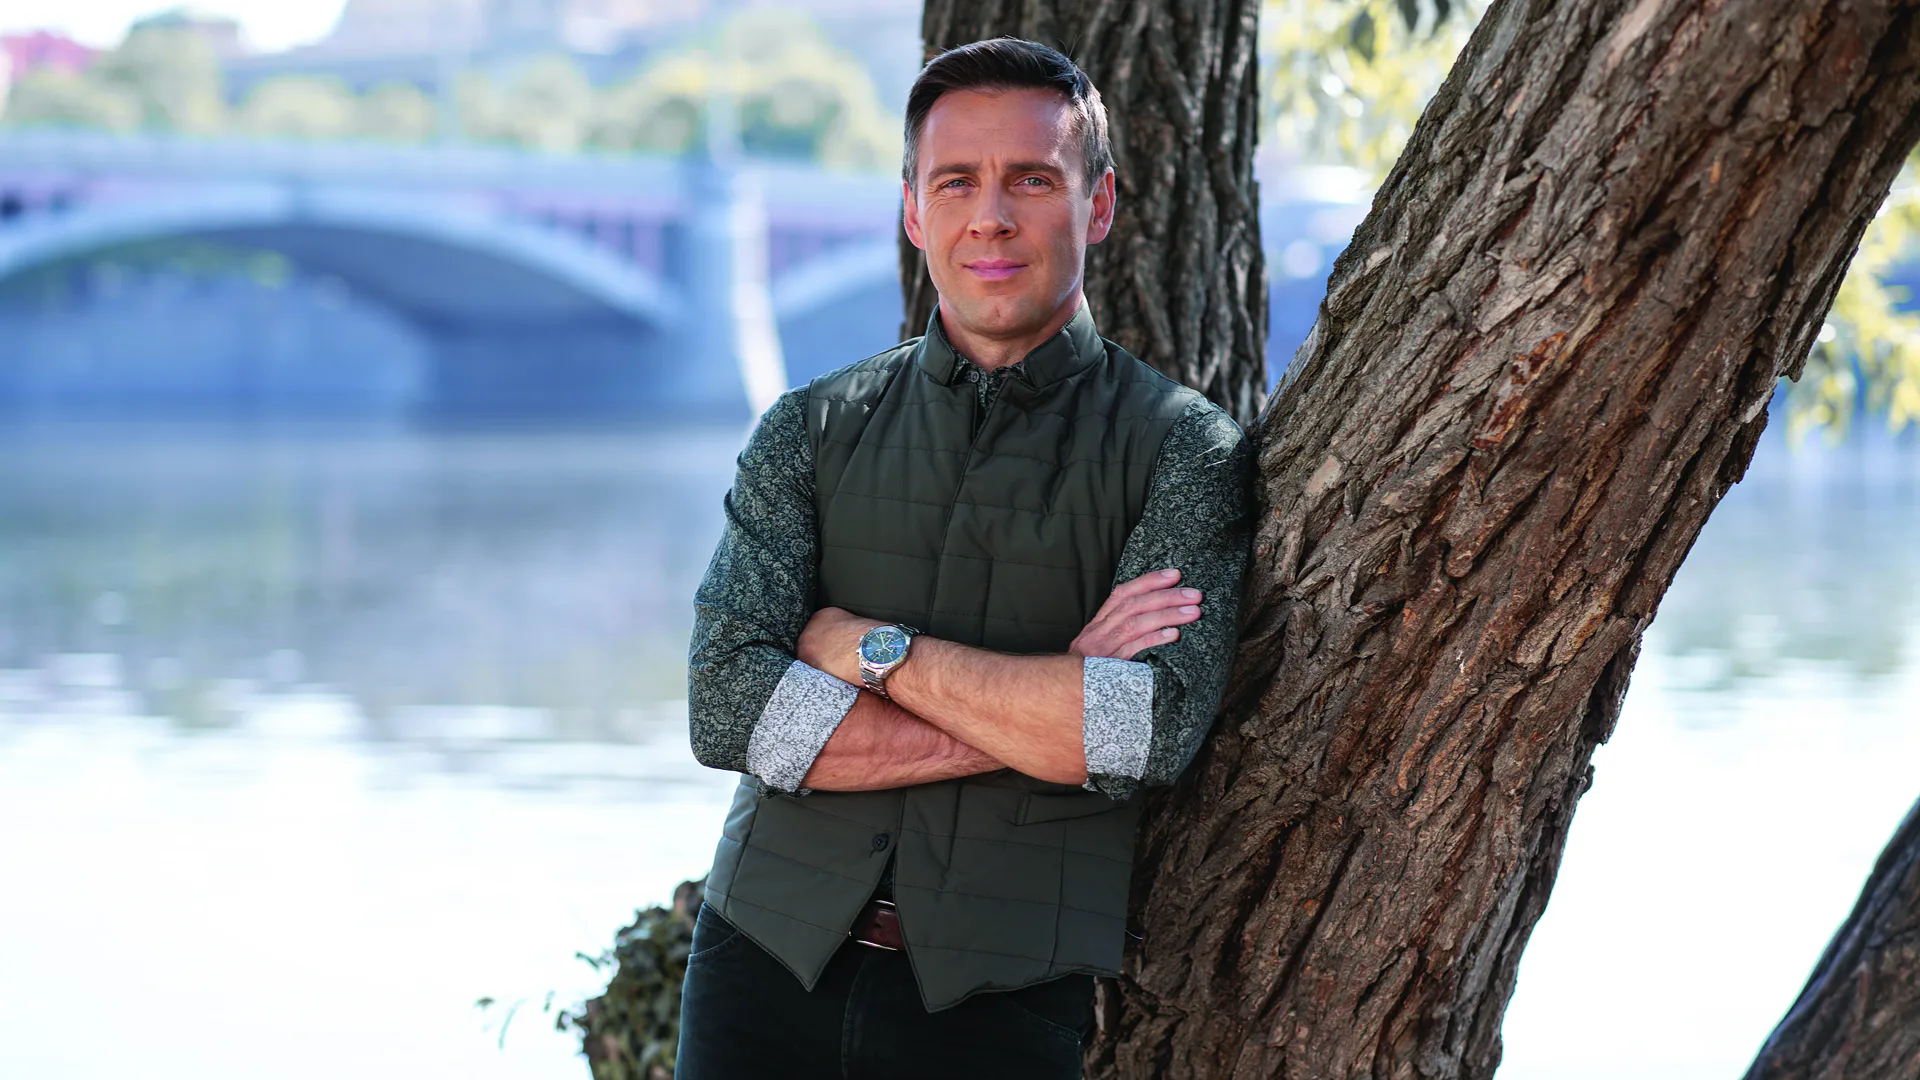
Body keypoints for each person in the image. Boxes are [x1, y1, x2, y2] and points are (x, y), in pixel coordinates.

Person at [676, 36, 1253, 1079]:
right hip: (757, 966)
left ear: (1098, 205)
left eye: (1031, 179)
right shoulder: (809, 430)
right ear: (913, 212)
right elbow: (728, 710)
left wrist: (867, 650)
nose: (990, 216)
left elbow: (1142, 734)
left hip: (1002, 1005)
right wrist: (1049, 702)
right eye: (955, 182)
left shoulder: (1185, 452)